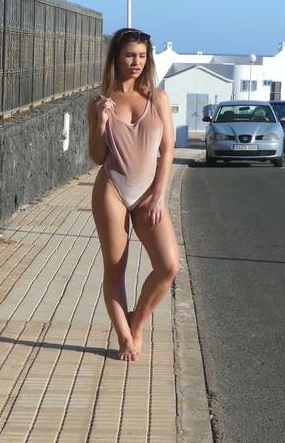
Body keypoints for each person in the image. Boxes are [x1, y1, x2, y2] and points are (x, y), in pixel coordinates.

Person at [86, 28, 179, 361]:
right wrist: (101, 122)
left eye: (142, 55)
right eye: (129, 55)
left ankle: (136, 324)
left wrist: (159, 196)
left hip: (149, 194)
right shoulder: (100, 103)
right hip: (112, 190)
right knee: (115, 269)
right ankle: (125, 338)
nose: (136, 62)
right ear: (116, 57)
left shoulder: (158, 98)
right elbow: (97, 157)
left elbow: (167, 150)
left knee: (168, 266)